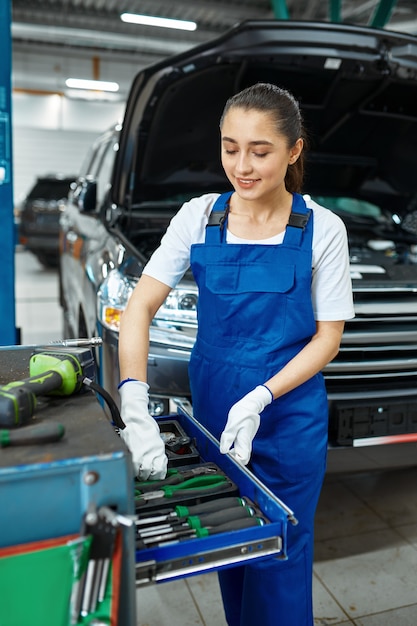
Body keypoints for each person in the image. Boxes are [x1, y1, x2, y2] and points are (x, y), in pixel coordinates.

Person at [118, 82, 354, 626]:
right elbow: (139, 308)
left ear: (294, 150)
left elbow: (327, 339)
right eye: (230, 147)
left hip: (287, 418)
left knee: (280, 554)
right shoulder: (200, 216)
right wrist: (133, 400)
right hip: (215, 412)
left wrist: (262, 397)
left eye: (260, 150)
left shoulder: (323, 230)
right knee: (230, 545)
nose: (242, 166)